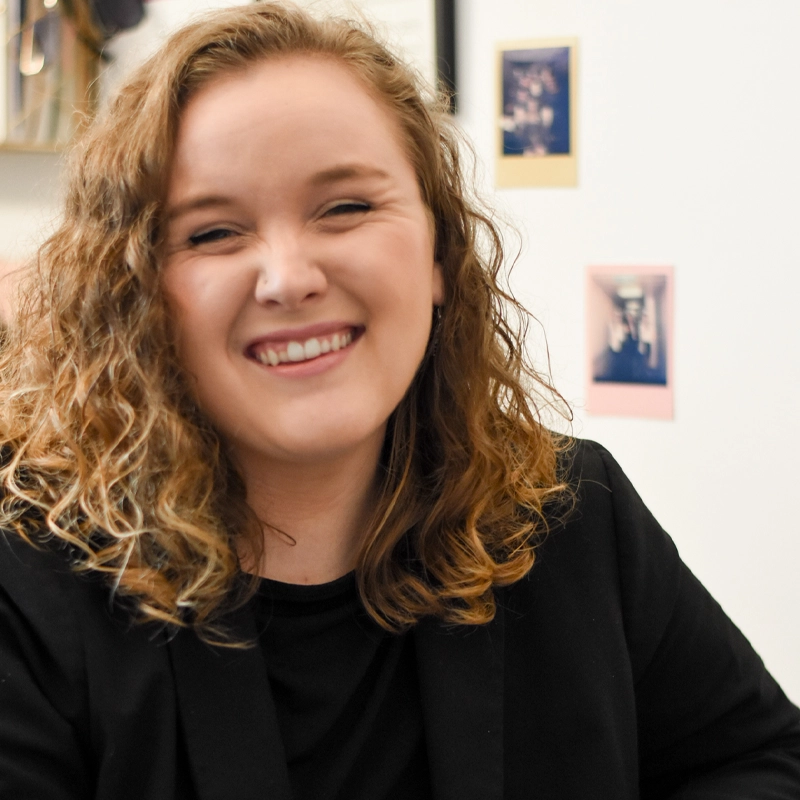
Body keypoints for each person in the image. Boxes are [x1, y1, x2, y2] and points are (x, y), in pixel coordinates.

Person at [0, 4, 798, 799]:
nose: (289, 277)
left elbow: (758, 760)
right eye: (212, 233)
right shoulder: (30, 582)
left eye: (344, 208)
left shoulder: (571, 514)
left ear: (441, 252)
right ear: (135, 294)